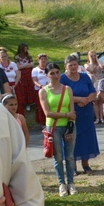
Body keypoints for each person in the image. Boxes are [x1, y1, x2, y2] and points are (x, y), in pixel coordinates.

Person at [39, 62, 76, 197]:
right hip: (53, 126)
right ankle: (61, 184)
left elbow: (72, 110)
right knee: (58, 157)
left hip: (68, 125)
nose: (55, 76)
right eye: (52, 73)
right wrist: (66, 115)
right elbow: (47, 112)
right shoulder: (43, 91)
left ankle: (71, 183)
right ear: (47, 75)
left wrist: (70, 127)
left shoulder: (67, 89)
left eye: (57, 72)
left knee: (70, 156)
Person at [60, 54, 100, 174]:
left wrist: (86, 100)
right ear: (65, 66)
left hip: (86, 112)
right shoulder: (63, 78)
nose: (73, 67)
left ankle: (86, 164)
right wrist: (79, 100)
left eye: (75, 64)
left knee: (86, 139)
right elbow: (62, 95)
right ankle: (72, 167)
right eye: (70, 65)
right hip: (71, 113)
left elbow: (93, 92)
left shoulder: (84, 76)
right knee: (72, 139)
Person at [14, 43, 37, 114]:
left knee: (30, 88)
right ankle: (25, 104)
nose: (26, 49)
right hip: (22, 75)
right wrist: (27, 65)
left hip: (29, 74)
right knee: (23, 89)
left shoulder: (28, 56)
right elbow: (18, 67)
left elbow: (32, 64)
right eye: (25, 48)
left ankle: (31, 103)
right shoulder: (17, 57)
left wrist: (24, 65)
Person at [84, 50, 104, 124]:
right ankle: (97, 118)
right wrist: (91, 61)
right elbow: (91, 70)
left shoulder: (99, 63)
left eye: (94, 55)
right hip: (92, 83)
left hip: (100, 82)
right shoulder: (87, 65)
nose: (93, 57)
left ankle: (102, 118)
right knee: (95, 102)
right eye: (91, 56)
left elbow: (102, 67)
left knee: (101, 101)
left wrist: (97, 60)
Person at [31, 54, 49, 125]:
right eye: (42, 59)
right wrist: (41, 86)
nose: (43, 60)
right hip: (39, 90)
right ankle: (42, 122)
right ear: (38, 60)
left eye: (45, 59)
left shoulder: (48, 68)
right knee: (40, 106)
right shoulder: (35, 70)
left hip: (49, 89)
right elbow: (34, 81)